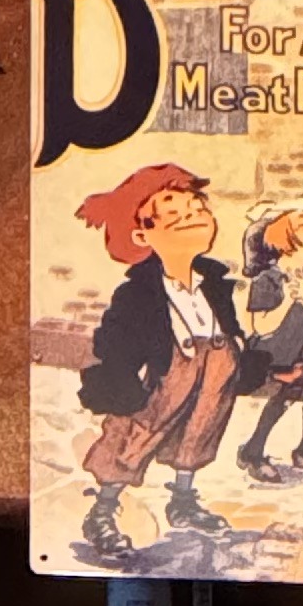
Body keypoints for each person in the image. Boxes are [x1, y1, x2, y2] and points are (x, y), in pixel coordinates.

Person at [71, 160, 242, 560]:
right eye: (176, 216)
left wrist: (239, 352)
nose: (195, 218)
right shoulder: (138, 293)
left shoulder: (214, 283)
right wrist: (118, 383)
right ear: (142, 234)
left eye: (198, 209)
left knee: (200, 430)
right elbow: (116, 340)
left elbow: (229, 323)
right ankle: (102, 512)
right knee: (134, 438)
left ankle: (182, 500)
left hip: (214, 369)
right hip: (164, 376)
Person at [234, 202, 303, 480]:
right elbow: (261, 325)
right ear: (284, 238)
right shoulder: (269, 279)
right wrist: (287, 301)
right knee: (289, 393)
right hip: (281, 348)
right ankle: (252, 451)